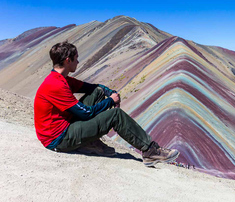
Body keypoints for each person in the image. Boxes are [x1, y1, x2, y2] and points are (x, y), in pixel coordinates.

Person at [34, 41, 179, 166]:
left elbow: (94, 88)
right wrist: (111, 101)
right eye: (76, 58)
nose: (78, 62)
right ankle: (150, 151)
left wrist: (109, 92)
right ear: (68, 60)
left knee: (97, 92)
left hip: (63, 127)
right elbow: (86, 113)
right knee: (115, 115)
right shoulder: (56, 85)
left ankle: (89, 141)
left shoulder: (62, 79)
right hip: (58, 139)